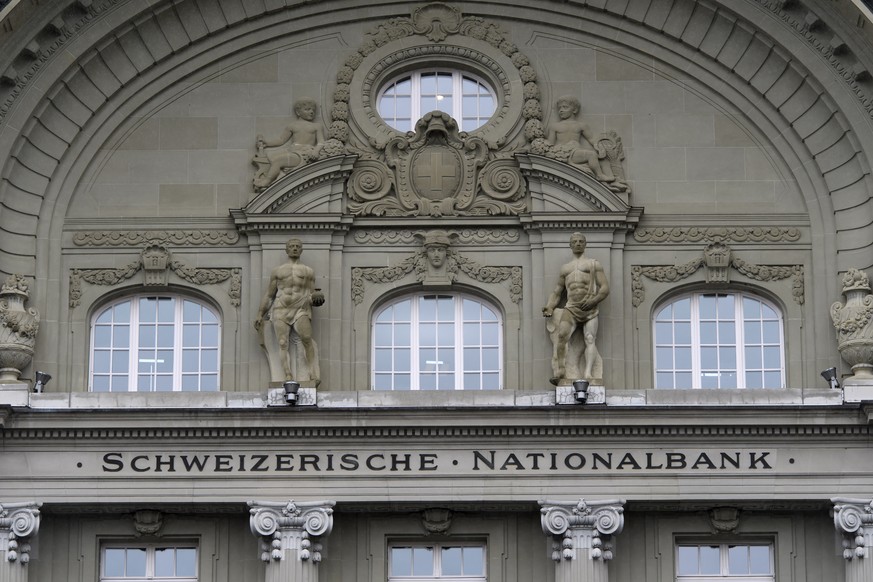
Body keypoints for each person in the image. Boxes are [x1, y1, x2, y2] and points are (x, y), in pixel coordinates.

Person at [542, 233, 610, 383]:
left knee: (590, 338)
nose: (578, 243)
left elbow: (605, 288)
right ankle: (560, 371)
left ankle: (588, 373)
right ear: (570, 245)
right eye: (574, 241)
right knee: (561, 337)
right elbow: (557, 291)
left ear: (585, 244)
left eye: (581, 241)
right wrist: (550, 306)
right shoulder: (565, 268)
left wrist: (594, 301)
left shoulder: (594, 264)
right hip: (571, 307)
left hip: (589, 308)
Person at [255, 238, 324, 382]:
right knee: (282, 342)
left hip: (300, 309)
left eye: (297, 246)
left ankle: (312, 373)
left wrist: (317, 298)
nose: (294, 248)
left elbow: (311, 294)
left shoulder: (308, 271)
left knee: (306, 338)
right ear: (286, 250)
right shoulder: (278, 271)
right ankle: (287, 374)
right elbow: (269, 294)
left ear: (301, 250)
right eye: (291, 246)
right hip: (280, 309)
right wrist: (260, 313)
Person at [253, 99, 325, 189]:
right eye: (307, 109)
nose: (311, 112)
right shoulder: (292, 126)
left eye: (313, 110)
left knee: (278, 160)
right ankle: (274, 177)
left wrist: (316, 151)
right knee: (272, 156)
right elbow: (281, 140)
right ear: (298, 112)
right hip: (293, 152)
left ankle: (267, 181)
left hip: (304, 154)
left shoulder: (317, 126)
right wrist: (267, 143)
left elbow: (321, 142)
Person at [547, 96, 613, 182]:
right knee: (591, 155)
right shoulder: (554, 126)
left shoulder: (581, 125)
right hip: (561, 153)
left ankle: (600, 175)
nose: (561, 110)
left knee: (592, 155)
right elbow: (549, 144)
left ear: (574, 110)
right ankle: (600, 175)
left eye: (565, 107)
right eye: (559, 108)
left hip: (574, 153)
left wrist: (600, 148)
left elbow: (592, 139)